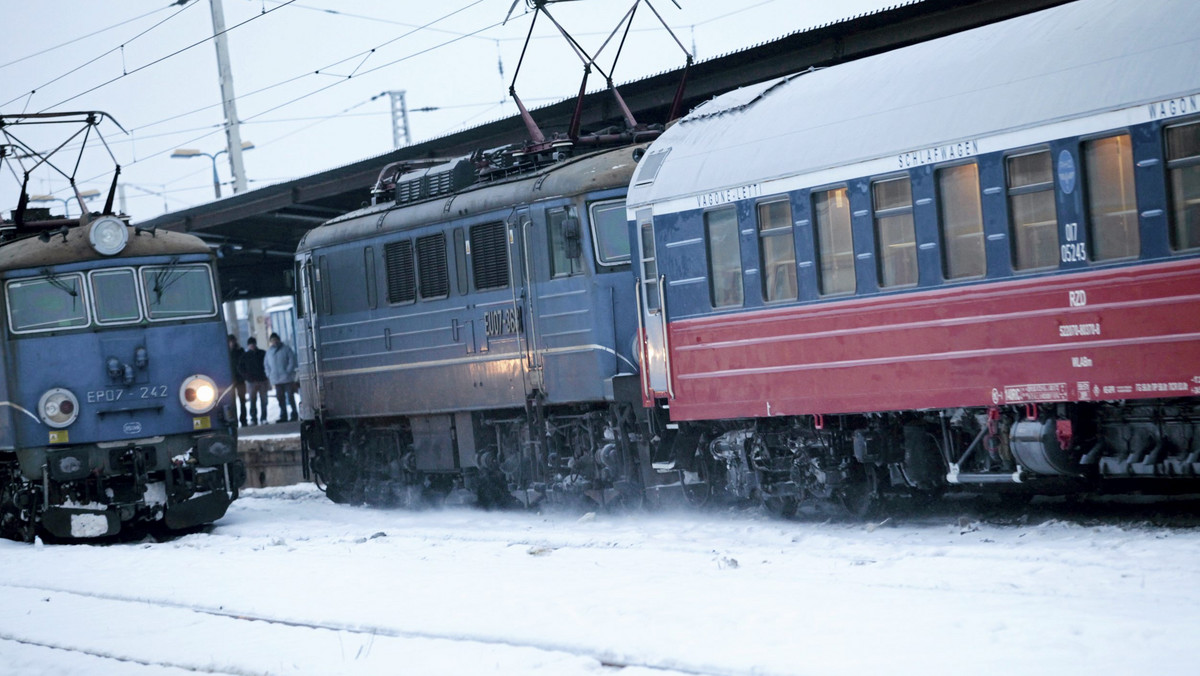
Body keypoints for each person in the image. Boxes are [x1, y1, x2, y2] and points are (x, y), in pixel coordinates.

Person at [264, 332, 299, 423]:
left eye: (275, 340)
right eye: (272, 340)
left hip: (287, 379)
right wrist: (269, 374)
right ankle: (283, 415)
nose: (274, 342)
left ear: (279, 340)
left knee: (290, 397)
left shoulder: (286, 349)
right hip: (276, 380)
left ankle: (294, 414)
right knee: (280, 398)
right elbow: (266, 364)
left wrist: (288, 371)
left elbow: (292, 360)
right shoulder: (269, 352)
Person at [237, 337, 270, 426]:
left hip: (262, 380)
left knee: (264, 400)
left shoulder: (262, 353)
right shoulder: (245, 356)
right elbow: (240, 368)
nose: (252, 346)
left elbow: (268, 364)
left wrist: (266, 375)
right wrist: (247, 377)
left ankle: (264, 418)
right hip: (251, 382)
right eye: (250, 344)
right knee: (252, 401)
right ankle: (253, 418)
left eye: (253, 344)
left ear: (255, 344)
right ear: (248, 345)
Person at [227, 334, 248, 427]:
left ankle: (243, 419)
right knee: (231, 401)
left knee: (242, 400)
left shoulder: (240, 351)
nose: (231, 343)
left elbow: (244, 365)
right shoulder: (225, 352)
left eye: (232, 341)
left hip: (239, 379)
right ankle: (234, 420)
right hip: (230, 381)